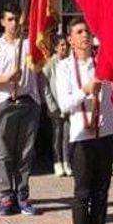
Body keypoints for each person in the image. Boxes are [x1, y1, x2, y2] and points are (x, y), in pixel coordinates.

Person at [56, 18, 113, 224]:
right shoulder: (64, 67)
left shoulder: (103, 63)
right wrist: (85, 90)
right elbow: (64, 104)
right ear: (70, 39)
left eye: (88, 32)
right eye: (79, 32)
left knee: (101, 193)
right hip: (81, 136)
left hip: (106, 131)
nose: (85, 36)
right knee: (83, 193)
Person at [0, 5, 40, 216]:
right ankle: (6, 195)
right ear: (3, 22)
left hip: (28, 102)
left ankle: (22, 194)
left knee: (26, 153)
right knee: (6, 153)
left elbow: (43, 63)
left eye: (17, 19)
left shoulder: (30, 45)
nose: (14, 24)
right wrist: (7, 78)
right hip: (5, 102)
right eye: (10, 19)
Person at [42, 35, 72, 177]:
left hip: (68, 105)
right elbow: (45, 87)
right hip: (55, 107)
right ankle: (57, 162)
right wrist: (52, 106)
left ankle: (67, 161)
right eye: (61, 45)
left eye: (66, 45)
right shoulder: (49, 64)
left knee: (67, 135)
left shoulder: (70, 63)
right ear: (55, 47)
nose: (64, 47)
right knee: (57, 135)